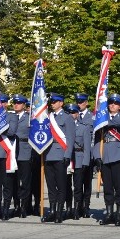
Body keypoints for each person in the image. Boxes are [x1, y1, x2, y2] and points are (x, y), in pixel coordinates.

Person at [98, 93, 120, 226]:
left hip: (118, 155)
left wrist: (101, 120)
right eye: (111, 103)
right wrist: (97, 156)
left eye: (116, 104)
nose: (112, 105)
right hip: (105, 155)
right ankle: (109, 213)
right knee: (108, 188)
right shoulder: (102, 118)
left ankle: (119, 214)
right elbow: (97, 140)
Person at [42, 93, 75, 223]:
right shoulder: (47, 117)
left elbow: (70, 138)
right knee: (51, 186)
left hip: (61, 153)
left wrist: (67, 155)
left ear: (61, 103)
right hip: (48, 153)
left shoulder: (67, 118)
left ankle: (59, 213)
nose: (52, 103)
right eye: (52, 102)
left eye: (55, 101)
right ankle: (52, 210)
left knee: (61, 186)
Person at [67, 102, 92, 220]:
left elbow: (87, 146)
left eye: (73, 112)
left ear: (77, 114)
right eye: (69, 112)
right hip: (67, 159)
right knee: (68, 186)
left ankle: (80, 208)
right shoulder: (63, 126)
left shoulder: (83, 127)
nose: (71, 115)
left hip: (79, 158)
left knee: (81, 185)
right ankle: (70, 208)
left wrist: (86, 162)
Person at [9, 94, 33, 218]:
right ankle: (17, 205)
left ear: (24, 105)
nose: (16, 105)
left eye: (19, 103)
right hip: (12, 152)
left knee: (25, 181)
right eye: (15, 102)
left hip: (24, 151)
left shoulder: (29, 118)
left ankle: (25, 206)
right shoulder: (9, 117)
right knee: (14, 181)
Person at [74, 93, 94, 217]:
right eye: (77, 101)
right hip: (76, 155)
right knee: (77, 183)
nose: (79, 104)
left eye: (81, 101)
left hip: (89, 153)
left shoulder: (92, 117)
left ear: (86, 102)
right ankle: (77, 206)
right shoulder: (72, 115)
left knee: (87, 183)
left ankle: (86, 207)